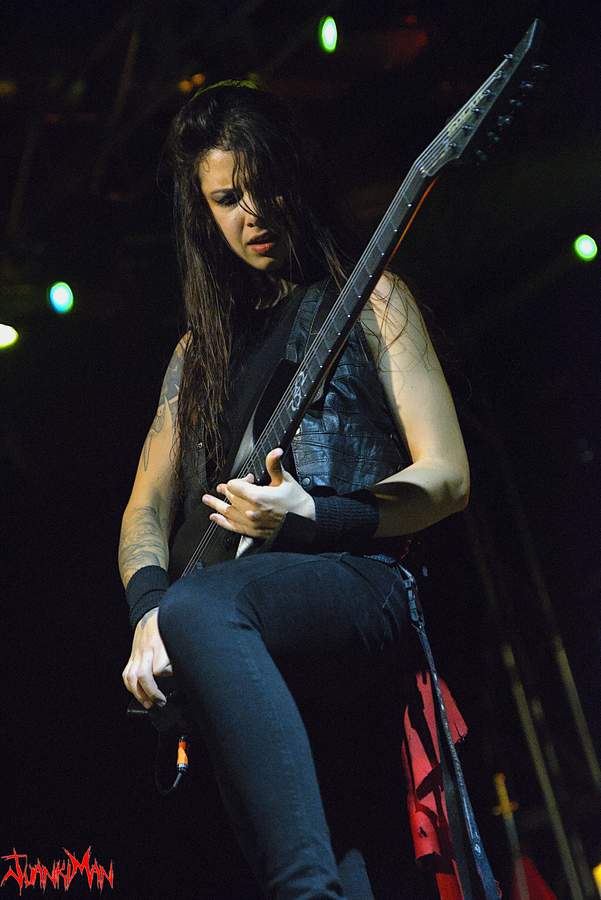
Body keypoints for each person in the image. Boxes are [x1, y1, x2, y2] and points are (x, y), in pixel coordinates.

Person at [119, 80, 470, 899]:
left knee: (203, 609)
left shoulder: (373, 299)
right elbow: (143, 507)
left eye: (263, 185)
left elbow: (447, 476)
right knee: (356, 850)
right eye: (226, 199)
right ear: (203, 213)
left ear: (293, 175)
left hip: (360, 581)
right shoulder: (196, 357)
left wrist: (315, 514)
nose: (253, 214)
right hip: (256, 632)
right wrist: (145, 612)